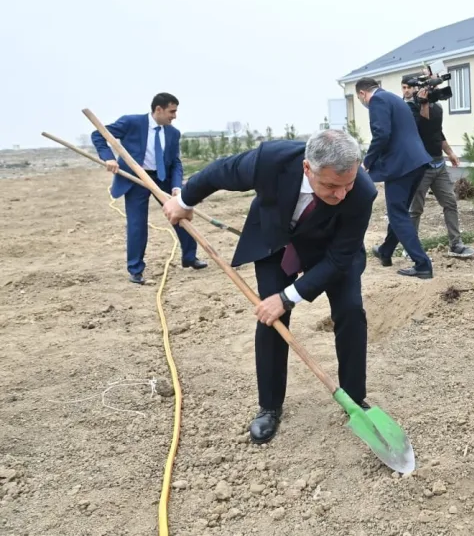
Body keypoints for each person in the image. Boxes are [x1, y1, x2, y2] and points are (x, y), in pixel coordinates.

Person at [161, 129, 377, 443]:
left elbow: (340, 258)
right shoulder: (271, 160)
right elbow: (221, 172)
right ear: (307, 168)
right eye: (331, 185)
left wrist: (289, 296)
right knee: (271, 317)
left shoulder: (362, 193)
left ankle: (354, 399)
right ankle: (270, 406)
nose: (341, 194)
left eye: (348, 184)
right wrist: (183, 201)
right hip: (276, 243)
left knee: (351, 311)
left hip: (331, 252)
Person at [91, 92, 207, 284]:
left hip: (162, 178)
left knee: (180, 215)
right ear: (158, 109)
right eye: (172, 111)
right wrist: (108, 158)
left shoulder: (173, 132)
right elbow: (98, 134)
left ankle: (189, 257)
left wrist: (177, 186)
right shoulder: (131, 123)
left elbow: (175, 162)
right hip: (136, 179)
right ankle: (135, 270)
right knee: (137, 223)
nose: (174, 116)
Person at [355, 77, 435, 278]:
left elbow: (382, 134)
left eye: (359, 99)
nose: (362, 102)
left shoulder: (377, 101)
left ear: (362, 94)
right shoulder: (393, 98)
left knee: (397, 214)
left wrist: (367, 163)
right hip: (416, 162)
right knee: (399, 210)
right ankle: (386, 251)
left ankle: (422, 264)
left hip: (401, 166)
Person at [401, 76, 474, 259]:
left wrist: (449, 152)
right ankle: (410, 247)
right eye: (404, 88)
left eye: (408, 87)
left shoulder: (438, 108)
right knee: (415, 209)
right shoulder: (407, 110)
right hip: (420, 166)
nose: (406, 91)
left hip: (438, 164)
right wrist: (423, 103)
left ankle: (456, 244)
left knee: (450, 203)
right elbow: (422, 126)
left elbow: (437, 131)